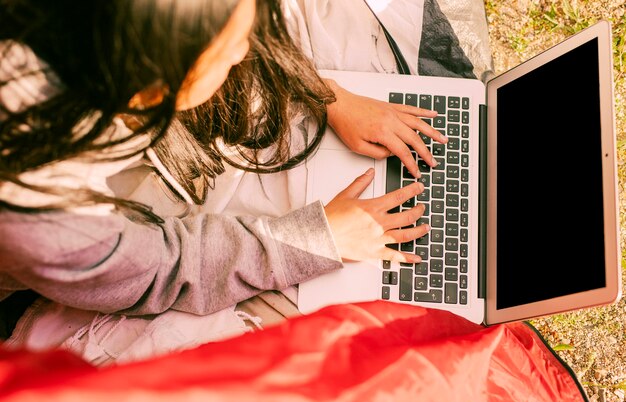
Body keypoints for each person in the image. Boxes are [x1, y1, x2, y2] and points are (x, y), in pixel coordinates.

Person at [0, 0, 445, 340]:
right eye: (232, 51)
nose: (247, 52)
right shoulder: (42, 212)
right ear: (149, 89)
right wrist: (312, 241)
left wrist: (327, 96)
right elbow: (163, 270)